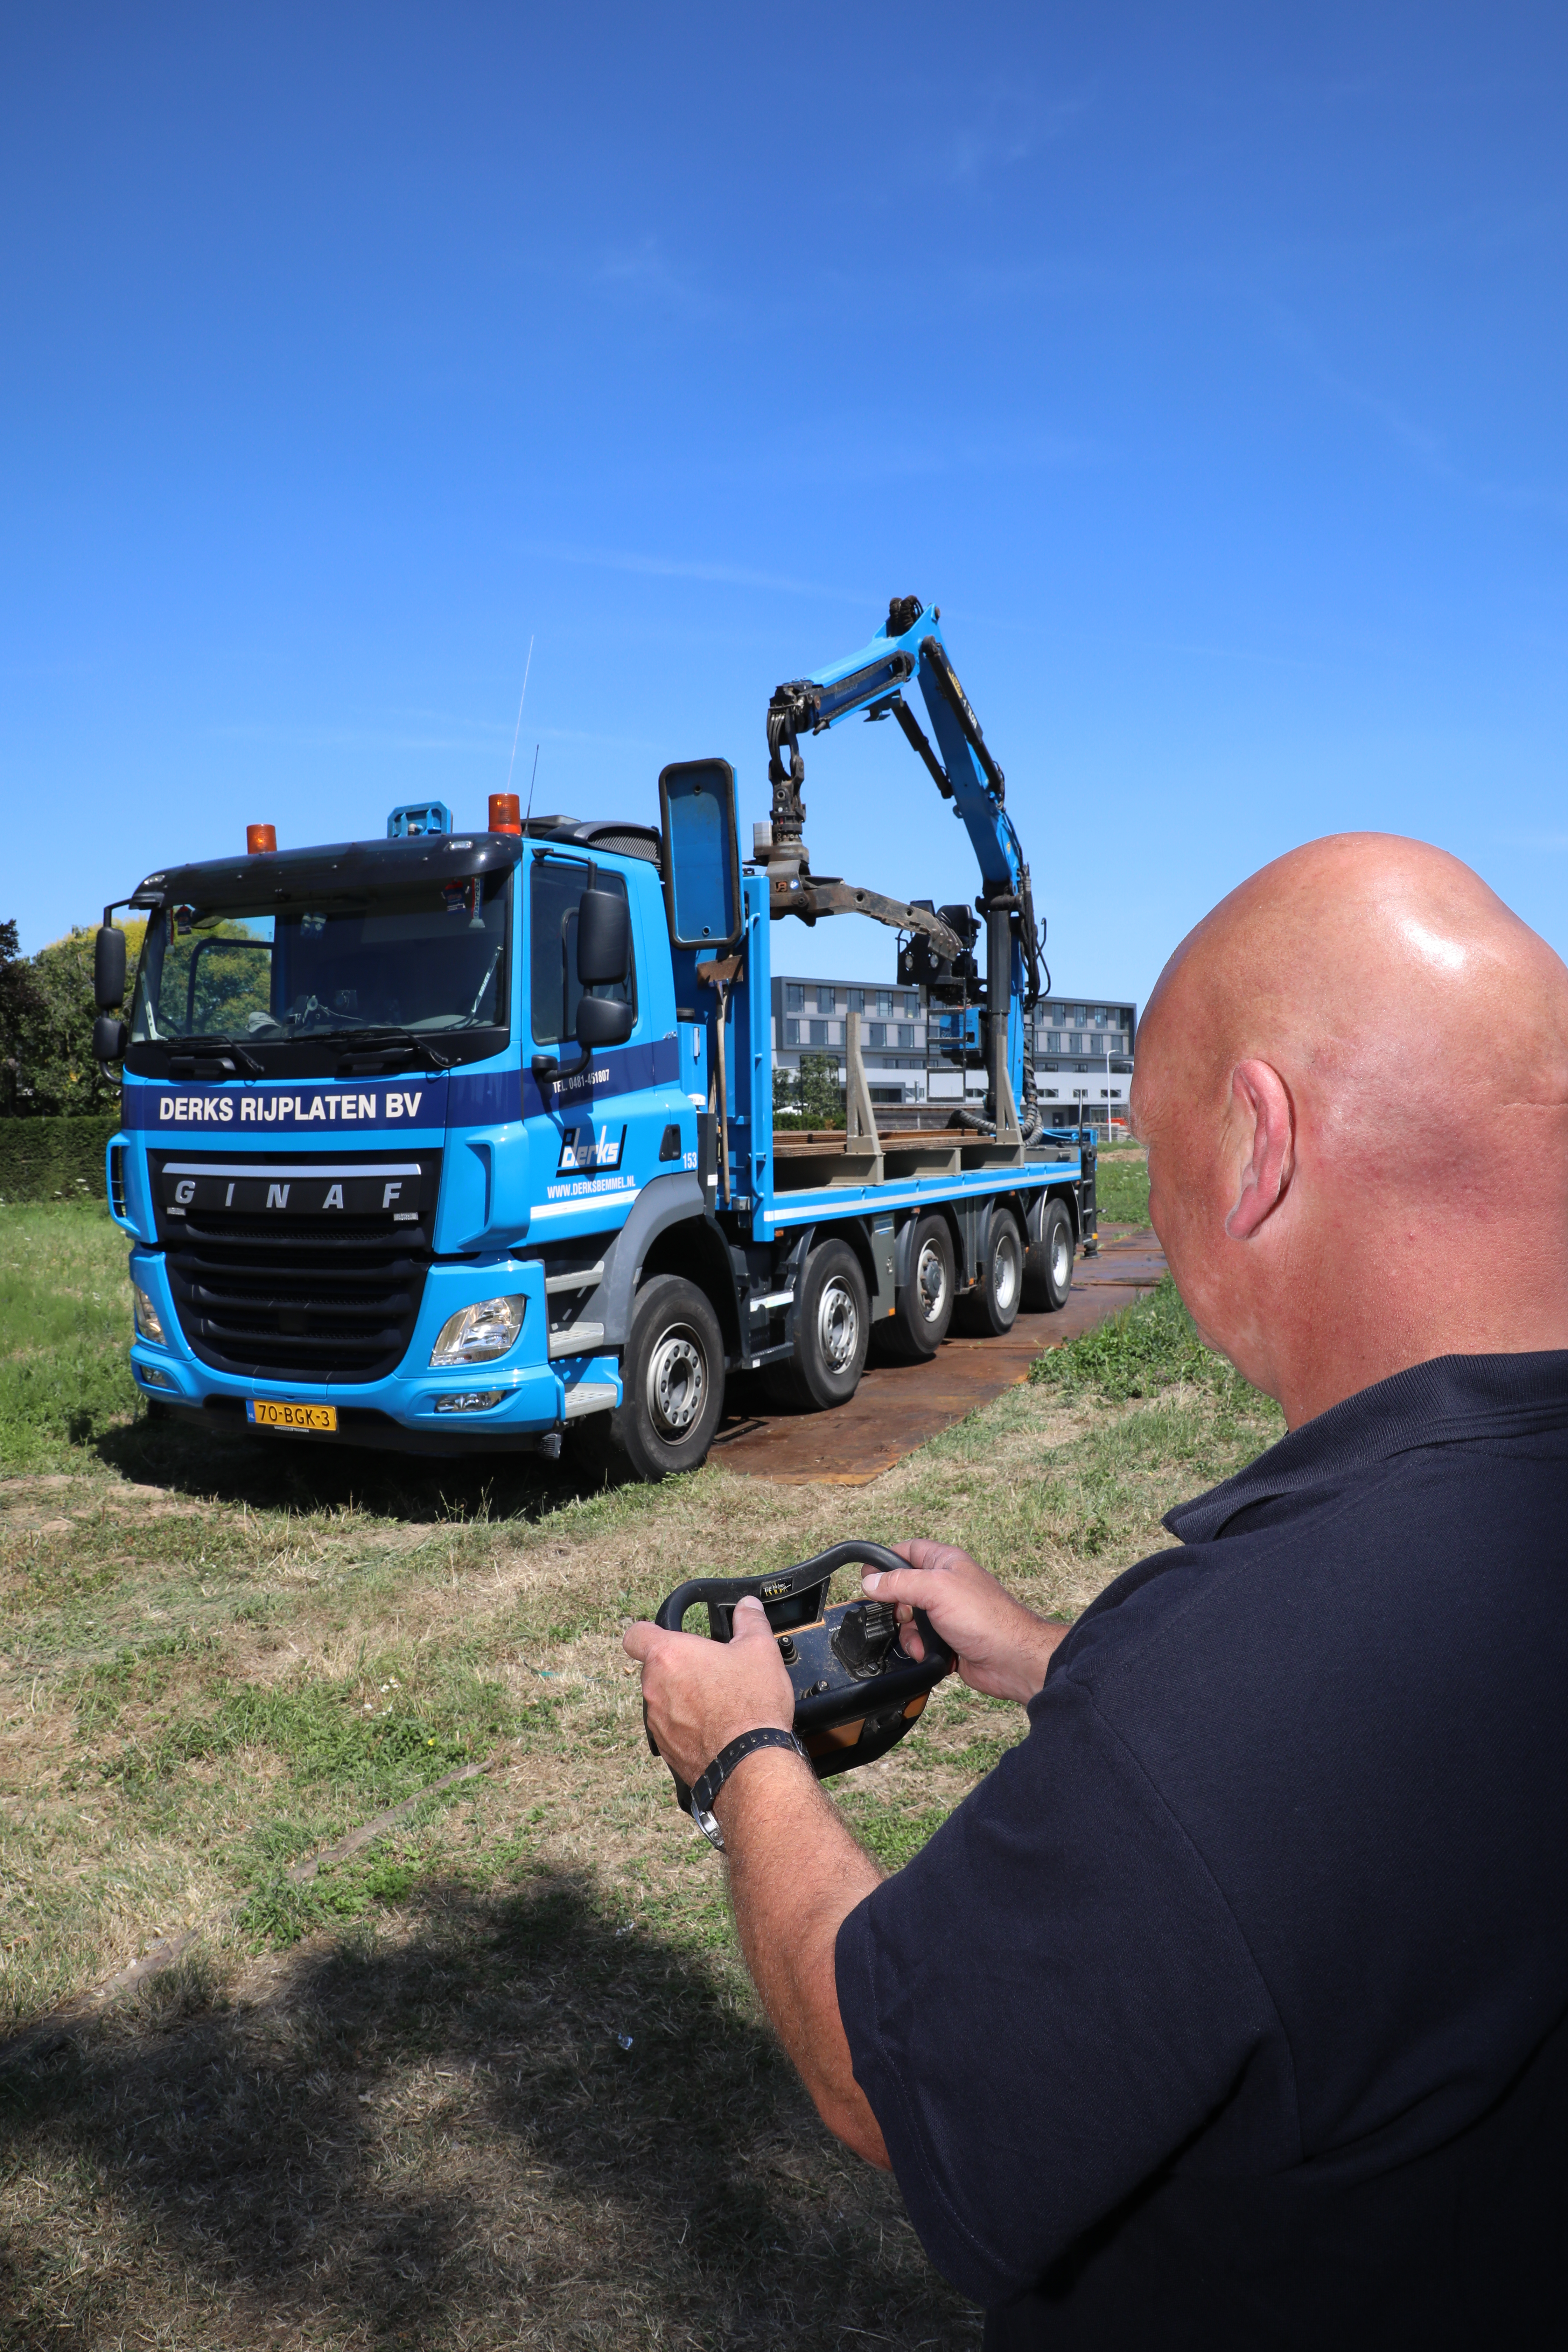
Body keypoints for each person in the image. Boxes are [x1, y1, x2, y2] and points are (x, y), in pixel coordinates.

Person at [626, 834, 1568, 2347]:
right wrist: (1061, 1659)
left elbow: (892, 2082)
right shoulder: (1379, 1625)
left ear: (1256, 1147)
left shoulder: (1239, 1686)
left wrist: (739, 1755)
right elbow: (1358, 1809)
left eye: (1154, 1140)